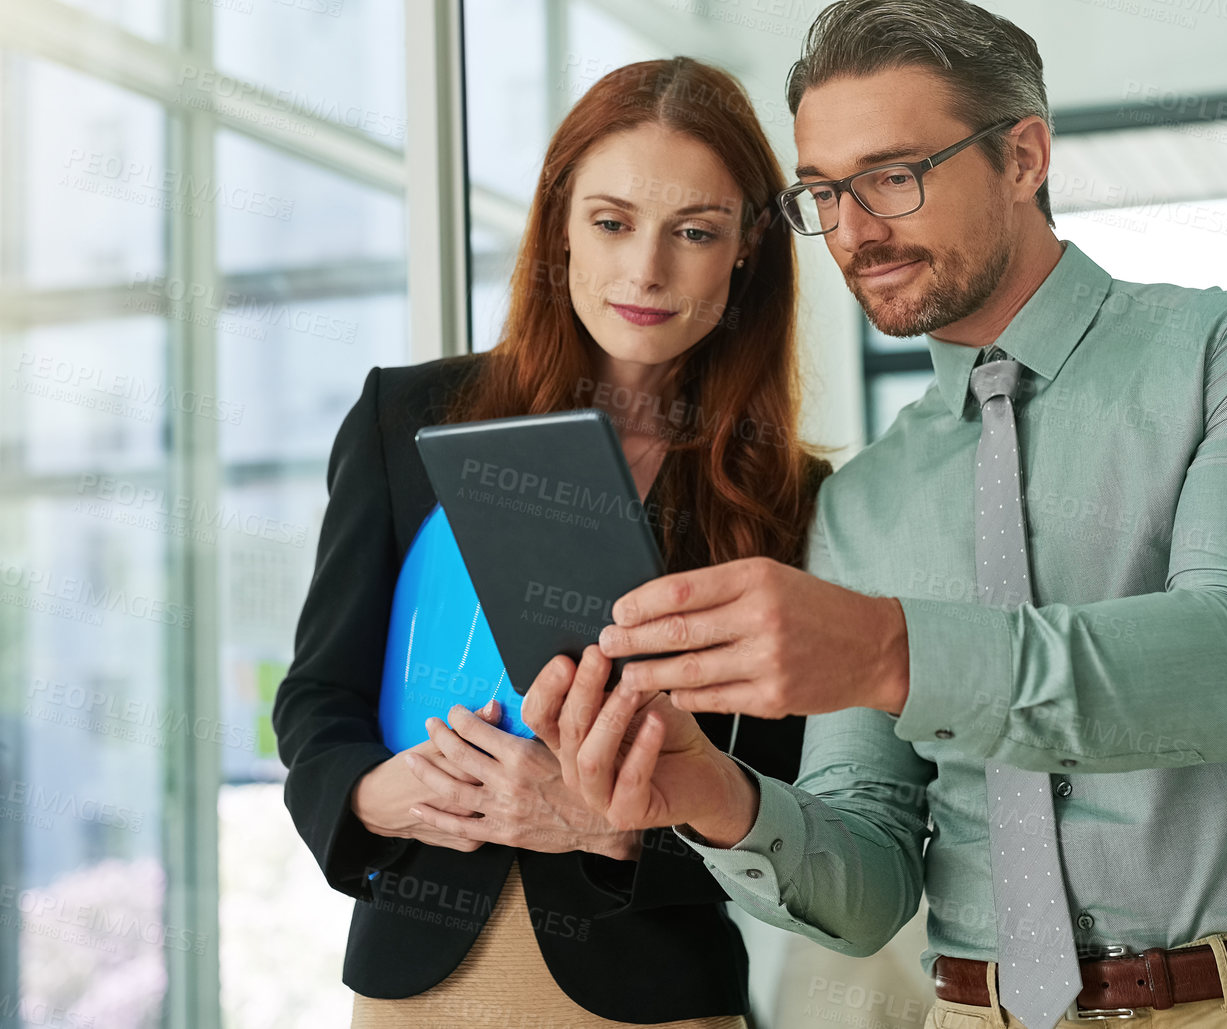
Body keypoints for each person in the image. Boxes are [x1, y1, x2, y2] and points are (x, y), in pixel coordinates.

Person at [529, 0, 1227, 1029]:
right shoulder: (865, 500)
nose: (854, 230)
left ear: (1024, 156)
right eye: (823, 194)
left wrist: (894, 651)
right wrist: (718, 798)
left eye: (893, 178)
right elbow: (870, 880)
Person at [272, 57, 833, 1027]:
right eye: (612, 222)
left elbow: (791, 803)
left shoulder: (790, 497)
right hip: (420, 980)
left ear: (744, 250)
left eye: (693, 232)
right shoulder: (405, 418)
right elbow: (319, 697)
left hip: (652, 990)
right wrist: (372, 794)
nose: (646, 270)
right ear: (561, 227)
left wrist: (615, 830)